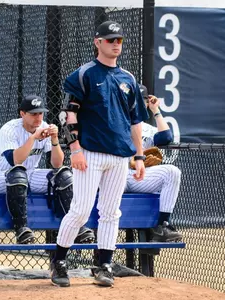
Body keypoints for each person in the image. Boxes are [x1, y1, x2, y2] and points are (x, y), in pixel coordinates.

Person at [50, 20, 149, 288]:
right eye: (110, 40)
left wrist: (139, 156)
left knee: (110, 212)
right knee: (81, 210)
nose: (115, 44)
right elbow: (68, 114)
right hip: (89, 153)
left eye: (119, 40)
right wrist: (75, 149)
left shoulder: (128, 78)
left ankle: (104, 264)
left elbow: (136, 122)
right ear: (98, 42)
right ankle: (59, 260)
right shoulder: (84, 74)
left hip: (119, 155)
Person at [0, 95, 95, 245]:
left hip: (30, 174)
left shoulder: (44, 125)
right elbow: (15, 160)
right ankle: (21, 229)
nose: (38, 117)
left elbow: (57, 164)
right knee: (18, 175)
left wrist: (54, 140)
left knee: (64, 175)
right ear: (22, 114)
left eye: (40, 113)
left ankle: (77, 226)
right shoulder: (9, 129)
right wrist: (33, 138)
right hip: (4, 176)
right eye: (33, 114)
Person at [125, 84, 183, 242]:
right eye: (135, 99)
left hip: (138, 176)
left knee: (172, 172)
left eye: (142, 100)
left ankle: (162, 226)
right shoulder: (115, 123)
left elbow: (166, 137)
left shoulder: (147, 129)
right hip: (116, 174)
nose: (138, 103)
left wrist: (155, 110)